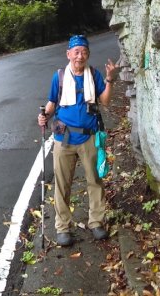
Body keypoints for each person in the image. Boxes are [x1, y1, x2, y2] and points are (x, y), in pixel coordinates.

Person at [38, 34, 119, 247]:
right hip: (62, 138)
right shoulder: (60, 76)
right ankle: (63, 227)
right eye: (76, 51)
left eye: (83, 52)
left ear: (88, 54)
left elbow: (105, 101)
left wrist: (110, 79)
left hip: (89, 136)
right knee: (62, 184)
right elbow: (52, 102)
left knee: (94, 180)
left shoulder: (94, 74)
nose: (79, 56)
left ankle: (96, 222)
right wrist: (44, 115)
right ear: (68, 54)